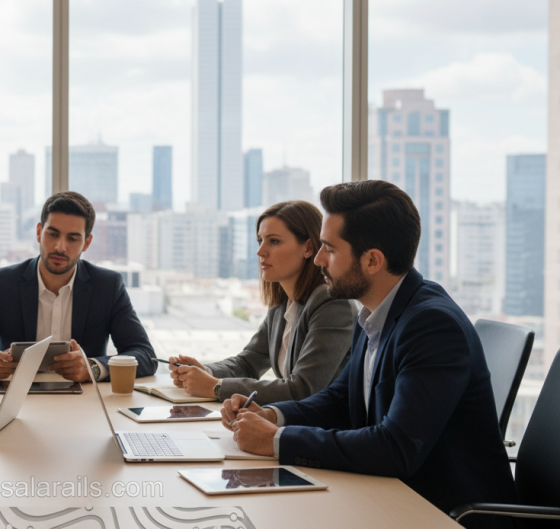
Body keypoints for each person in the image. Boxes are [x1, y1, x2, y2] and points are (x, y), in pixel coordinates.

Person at [222, 180, 518, 529]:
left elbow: (395, 448)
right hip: (391, 498)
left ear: (373, 260)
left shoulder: (431, 325)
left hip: (443, 514)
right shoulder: (376, 312)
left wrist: (275, 441)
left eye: (329, 249)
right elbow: (340, 399)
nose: (318, 260)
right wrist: (274, 416)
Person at [0, 191, 157, 382]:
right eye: (53, 234)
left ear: (87, 243)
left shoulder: (107, 286)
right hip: (15, 402)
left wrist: (92, 368)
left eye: (73, 238)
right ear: (39, 232)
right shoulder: (2, 283)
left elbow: (145, 355)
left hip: (84, 403)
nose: (60, 247)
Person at [168, 201, 355, 403]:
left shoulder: (332, 303)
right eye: (260, 240)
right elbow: (248, 363)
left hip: (323, 430)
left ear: (308, 248)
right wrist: (206, 371)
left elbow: (303, 389)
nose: (260, 252)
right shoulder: (281, 304)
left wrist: (216, 387)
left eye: (273, 241)